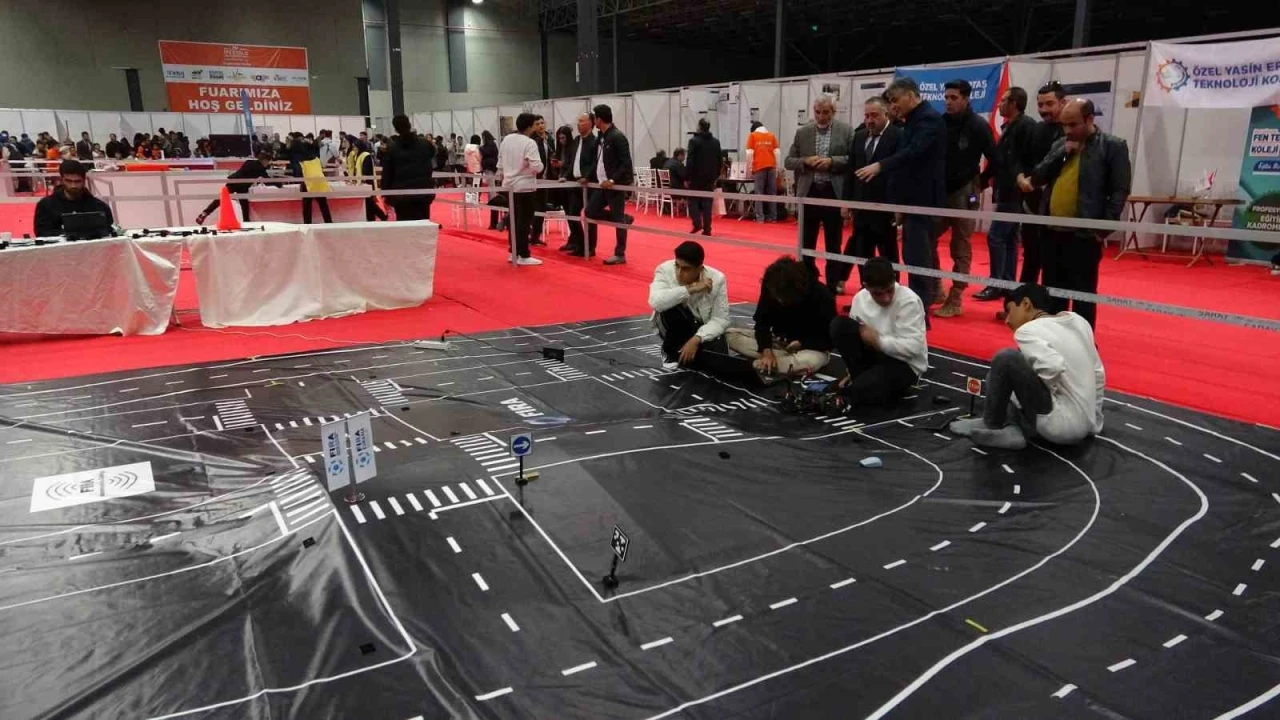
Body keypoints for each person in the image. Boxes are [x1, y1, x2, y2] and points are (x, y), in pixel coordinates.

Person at [949, 283, 1105, 450]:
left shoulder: (1027, 330)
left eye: (1009, 311)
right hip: (1085, 424)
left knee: (1006, 359)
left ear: (1026, 304)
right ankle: (1013, 428)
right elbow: (1098, 372)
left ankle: (993, 422)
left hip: (1059, 427)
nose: (1007, 320)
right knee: (1005, 373)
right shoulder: (1079, 322)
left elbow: (1053, 367)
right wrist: (1094, 420)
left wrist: (1017, 398)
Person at [1019, 98, 1130, 328]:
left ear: (1090, 119)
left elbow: (1120, 190)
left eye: (1073, 124)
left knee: (1083, 296)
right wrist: (1062, 154)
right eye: (1064, 125)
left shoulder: (1113, 146)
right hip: (1051, 232)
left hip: (1084, 234)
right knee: (1052, 294)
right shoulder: (1061, 144)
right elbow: (1038, 176)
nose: (1067, 130)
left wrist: (1103, 229)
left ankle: (1083, 343)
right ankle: (1053, 339)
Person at [856, 77, 947, 314]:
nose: (893, 106)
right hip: (910, 201)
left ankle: (920, 313)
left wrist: (880, 165)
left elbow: (913, 153)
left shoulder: (929, 120)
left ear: (911, 95)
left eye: (895, 100)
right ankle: (919, 308)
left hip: (924, 201)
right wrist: (898, 203)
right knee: (913, 257)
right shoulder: (912, 121)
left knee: (918, 260)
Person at [934, 79, 995, 318]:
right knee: (927, 236)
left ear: (966, 99)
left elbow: (994, 158)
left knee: (960, 245)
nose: (948, 102)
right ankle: (935, 286)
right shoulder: (941, 123)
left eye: (954, 98)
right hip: (941, 191)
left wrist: (979, 183)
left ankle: (956, 297)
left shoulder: (978, 125)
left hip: (965, 191)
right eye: (946, 97)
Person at [829, 257, 927, 406]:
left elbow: (914, 348)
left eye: (889, 290)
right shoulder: (859, 299)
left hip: (903, 364)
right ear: (866, 286)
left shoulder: (909, 301)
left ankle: (862, 386)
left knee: (858, 392)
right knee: (840, 325)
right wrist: (851, 371)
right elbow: (852, 339)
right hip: (873, 357)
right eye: (878, 294)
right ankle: (859, 378)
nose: (886, 298)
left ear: (894, 279)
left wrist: (879, 341)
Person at [975, 86, 1038, 303]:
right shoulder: (1011, 126)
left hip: (1014, 192)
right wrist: (984, 180)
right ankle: (1007, 283)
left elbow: (1021, 161)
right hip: (1007, 190)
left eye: (1003, 100)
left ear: (1014, 104)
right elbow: (1000, 160)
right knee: (1009, 239)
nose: (999, 104)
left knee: (997, 237)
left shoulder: (1026, 127)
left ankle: (997, 283)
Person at [727, 256, 836, 380]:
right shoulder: (770, 285)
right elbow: (762, 323)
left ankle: (765, 364)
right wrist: (767, 351)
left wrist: (802, 343)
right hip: (777, 342)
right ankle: (774, 363)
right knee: (728, 335)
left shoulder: (822, 295)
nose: (778, 300)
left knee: (812, 360)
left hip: (810, 348)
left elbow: (829, 340)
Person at [786, 95, 854, 289]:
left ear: (834, 112)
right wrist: (805, 161)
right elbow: (789, 161)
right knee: (806, 241)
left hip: (834, 192)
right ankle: (808, 280)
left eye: (826, 112)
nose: (821, 116)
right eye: (817, 112)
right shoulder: (803, 132)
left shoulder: (846, 131)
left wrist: (832, 162)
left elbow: (854, 159)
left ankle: (833, 282)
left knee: (834, 242)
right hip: (809, 192)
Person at [839, 96, 902, 292]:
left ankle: (892, 291)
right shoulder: (859, 137)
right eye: (866, 116)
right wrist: (846, 201)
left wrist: (897, 206)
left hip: (885, 207)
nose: (869, 120)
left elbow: (900, 172)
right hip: (860, 207)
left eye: (874, 115)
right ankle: (866, 291)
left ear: (886, 114)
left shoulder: (898, 135)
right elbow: (850, 171)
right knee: (862, 253)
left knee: (888, 253)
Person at [1015, 81, 1067, 292]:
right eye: (1040, 104)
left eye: (1049, 104)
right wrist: (1020, 178)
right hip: (1032, 205)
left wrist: (1038, 181)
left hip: (1058, 209)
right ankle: (1022, 300)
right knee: (1030, 256)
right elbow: (1021, 159)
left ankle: (1050, 304)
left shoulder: (1071, 133)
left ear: (1063, 102)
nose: (1044, 109)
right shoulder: (1036, 129)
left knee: (1054, 262)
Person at [648, 240, 731, 370]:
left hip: (701, 326)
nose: (679, 272)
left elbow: (721, 319)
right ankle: (669, 350)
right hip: (674, 322)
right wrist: (691, 288)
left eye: (686, 269)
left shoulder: (717, 278)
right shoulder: (664, 269)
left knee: (719, 364)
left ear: (699, 269)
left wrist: (697, 338)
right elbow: (656, 302)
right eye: (677, 266)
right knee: (671, 306)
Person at [586, 104, 635, 266]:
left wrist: (613, 180)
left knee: (617, 219)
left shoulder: (617, 137)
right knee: (590, 211)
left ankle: (620, 254)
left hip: (615, 185)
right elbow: (598, 161)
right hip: (602, 184)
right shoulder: (602, 136)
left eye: (594, 118)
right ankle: (623, 218)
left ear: (599, 119)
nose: (593, 121)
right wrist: (587, 177)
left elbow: (626, 164)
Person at [498, 112, 545, 266]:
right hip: (525, 188)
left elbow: (500, 164)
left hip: (509, 186)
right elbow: (537, 166)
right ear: (530, 126)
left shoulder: (506, 140)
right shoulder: (529, 143)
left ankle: (513, 252)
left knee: (513, 220)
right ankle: (523, 254)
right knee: (524, 222)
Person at [34, 160, 114, 237]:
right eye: (69, 181)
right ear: (62, 180)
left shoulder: (99, 206)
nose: (73, 186)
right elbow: (41, 233)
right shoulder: (46, 205)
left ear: (84, 181)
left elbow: (109, 230)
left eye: (78, 181)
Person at [195, 148, 274, 225]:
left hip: (233, 181)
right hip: (242, 187)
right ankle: (247, 223)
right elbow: (268, 181)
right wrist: (279, 183)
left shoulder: (249, 162)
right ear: (265, 160)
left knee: (220, 199)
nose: (268, 164)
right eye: (268, 162)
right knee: (244, 207)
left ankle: (204, 213)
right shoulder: (261, 168)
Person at [382, 114, 436, 223]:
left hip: (401, 196)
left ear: (395, 129)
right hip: (423, 192)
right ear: (409, 124)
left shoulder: (392, 149)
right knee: (423, 225)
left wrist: (385, 193)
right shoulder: (425, 144)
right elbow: (433, 154)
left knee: (405, 227)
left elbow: (387, 173)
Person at [559, 112, 598, 256]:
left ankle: (590, 248)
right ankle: (580, 244)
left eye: (582, 121)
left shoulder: (595, 142)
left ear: (590, 123)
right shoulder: (576, 140)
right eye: (578, 121)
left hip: (589, 184)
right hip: (575, 183)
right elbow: (572, 162)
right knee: (572, 214)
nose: (578, 124)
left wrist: (587, 177)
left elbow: (595, 163)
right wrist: (565, 176)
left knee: (590, 216)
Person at [685, 118, 722, 236]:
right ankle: (707, 229)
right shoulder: (716, 142)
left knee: (693, 201)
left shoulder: (693, 141)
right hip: (710, 177)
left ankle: (697, 223)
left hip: (696, 177)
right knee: (707, 203)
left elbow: (690, 160)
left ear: (699, 127)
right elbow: (720, 160)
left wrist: (687, 177)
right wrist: (716, 175)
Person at [745, 121, 780, 223]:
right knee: (772, 193)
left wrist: (749, 169)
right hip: (772, 167)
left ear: (753, 129)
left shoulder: (752, 136)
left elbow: (749, 154)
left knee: (759, 193)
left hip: (759, 166)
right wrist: (777, 168)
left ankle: (760, 217)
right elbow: (777, 153)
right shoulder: (772, 136)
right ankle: (773, 217)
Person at [529, 116, 555, 247]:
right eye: (537, 124)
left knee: (541, 208)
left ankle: (535, 236)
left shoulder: (549, 139)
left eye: (542, 123)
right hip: (533, 178)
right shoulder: (532, 140)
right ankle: (528, 234)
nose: (540, 126)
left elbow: (553, 154)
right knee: (531, 208)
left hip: (546, 178)